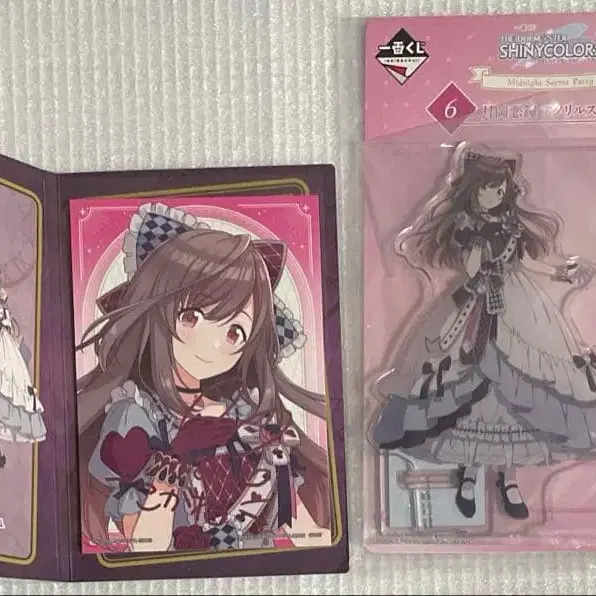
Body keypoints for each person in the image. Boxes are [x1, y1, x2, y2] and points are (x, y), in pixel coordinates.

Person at [77, 202, 330, 552]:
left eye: (235, 333)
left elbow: (299, 523)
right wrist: (173, 465)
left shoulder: (246, 410)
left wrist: (319, 543)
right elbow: (147, 546)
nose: (212, 344)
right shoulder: (134, 414)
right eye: (191, 317)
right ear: (155, 311)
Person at [373, 146, 596, 520]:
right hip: (476, 305)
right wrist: (478, 248)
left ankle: (509, 478)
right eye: (485, 189)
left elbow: (524, 260)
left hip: (518, 307)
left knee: (519, 390)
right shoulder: (466, 226)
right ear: (472, 190)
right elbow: (472, 269)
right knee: (468, 385)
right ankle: (469, 474)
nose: (492, 196)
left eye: (498, 190)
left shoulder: (510, 225)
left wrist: (560, 272)